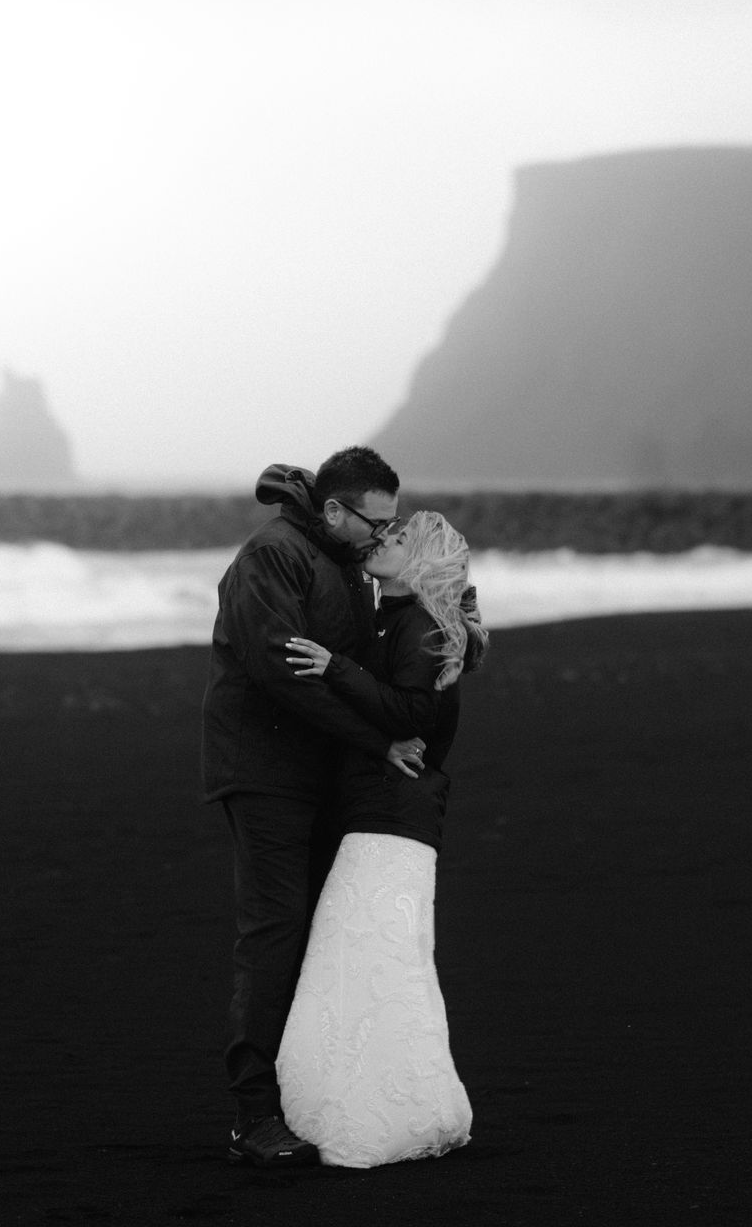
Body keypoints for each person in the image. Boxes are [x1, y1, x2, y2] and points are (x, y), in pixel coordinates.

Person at [201, 447, 426, 1168]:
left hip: (323, 771)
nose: (381, 536)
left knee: (319, 936)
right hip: (262, 771)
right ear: (334, 511)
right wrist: (377, 741)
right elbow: (279, 673)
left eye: (392, 524)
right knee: (275, 933)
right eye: (374, 522)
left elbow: (355, 668)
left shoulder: (342, 564)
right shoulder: (272, 556)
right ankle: (254, 1117)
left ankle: (304, 1099)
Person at [274, 511, 487, 1167]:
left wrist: (333, 666)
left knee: (375, 965)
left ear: (417, 560)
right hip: (384, 816)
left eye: (395, 539)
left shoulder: (420, 627)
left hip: (393, 819)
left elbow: (412, 714)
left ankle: (381, 1119)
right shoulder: (402, 619)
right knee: (378, 965)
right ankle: (412, 1108)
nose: (380, 540)